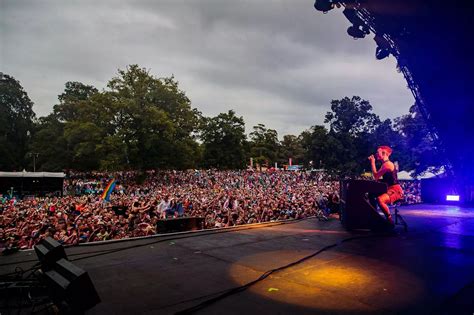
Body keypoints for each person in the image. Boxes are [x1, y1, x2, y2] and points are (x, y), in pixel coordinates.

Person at [368, 145, 403, 225]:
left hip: (395, 190)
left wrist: (372, 163)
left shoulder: (387, 165)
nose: (376, 154)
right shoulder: (384, 164)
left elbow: (376, 176)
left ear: (384, 153)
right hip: (389, 189)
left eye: (378, 152)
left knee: (380, 200)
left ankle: (390, 221)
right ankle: (375, 216)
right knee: (371, 194)